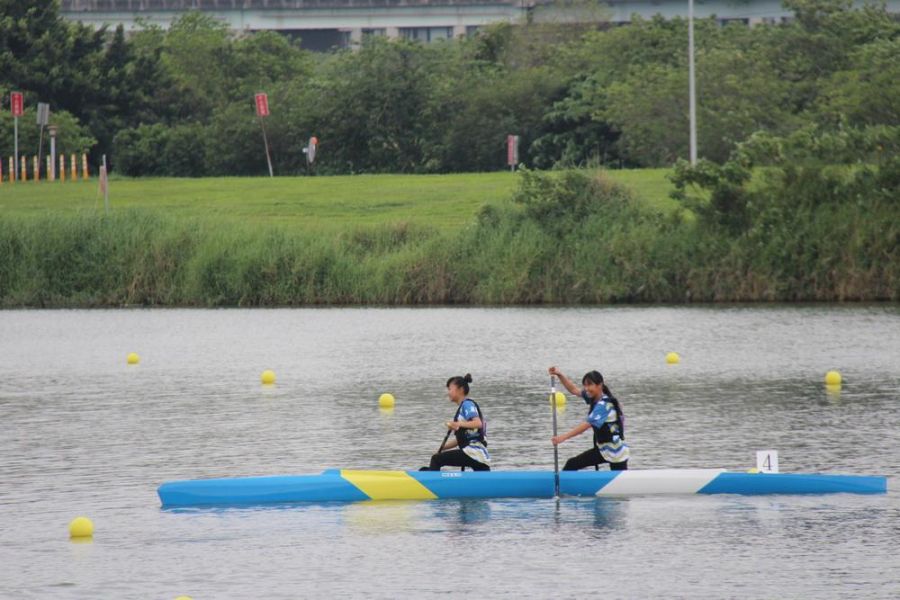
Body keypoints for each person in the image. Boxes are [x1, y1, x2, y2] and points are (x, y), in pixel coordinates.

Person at [548, 367, 629, 471]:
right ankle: (566, 485)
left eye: (589, 384)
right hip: (603, 450)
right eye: (585, 385)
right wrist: (559, 374)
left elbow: (586, 425)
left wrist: (563, 437)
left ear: (600, 385)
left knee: (619, 484)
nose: (586, 388)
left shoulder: (604, 405)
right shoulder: (593, 397)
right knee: (572, 464)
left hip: (616, 452)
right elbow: (573, 390)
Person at [421, 373, 490, 471]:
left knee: (436, 459)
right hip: (478, 455)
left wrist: (457, 424)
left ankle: (432, 484)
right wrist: (442, 448)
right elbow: (461, 440)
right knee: (483, 476)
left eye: (450, 389)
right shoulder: (463, 409)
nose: (448, 392)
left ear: (460, 390)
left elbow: (478, 423)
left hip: (473, 452)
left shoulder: (467, 404)